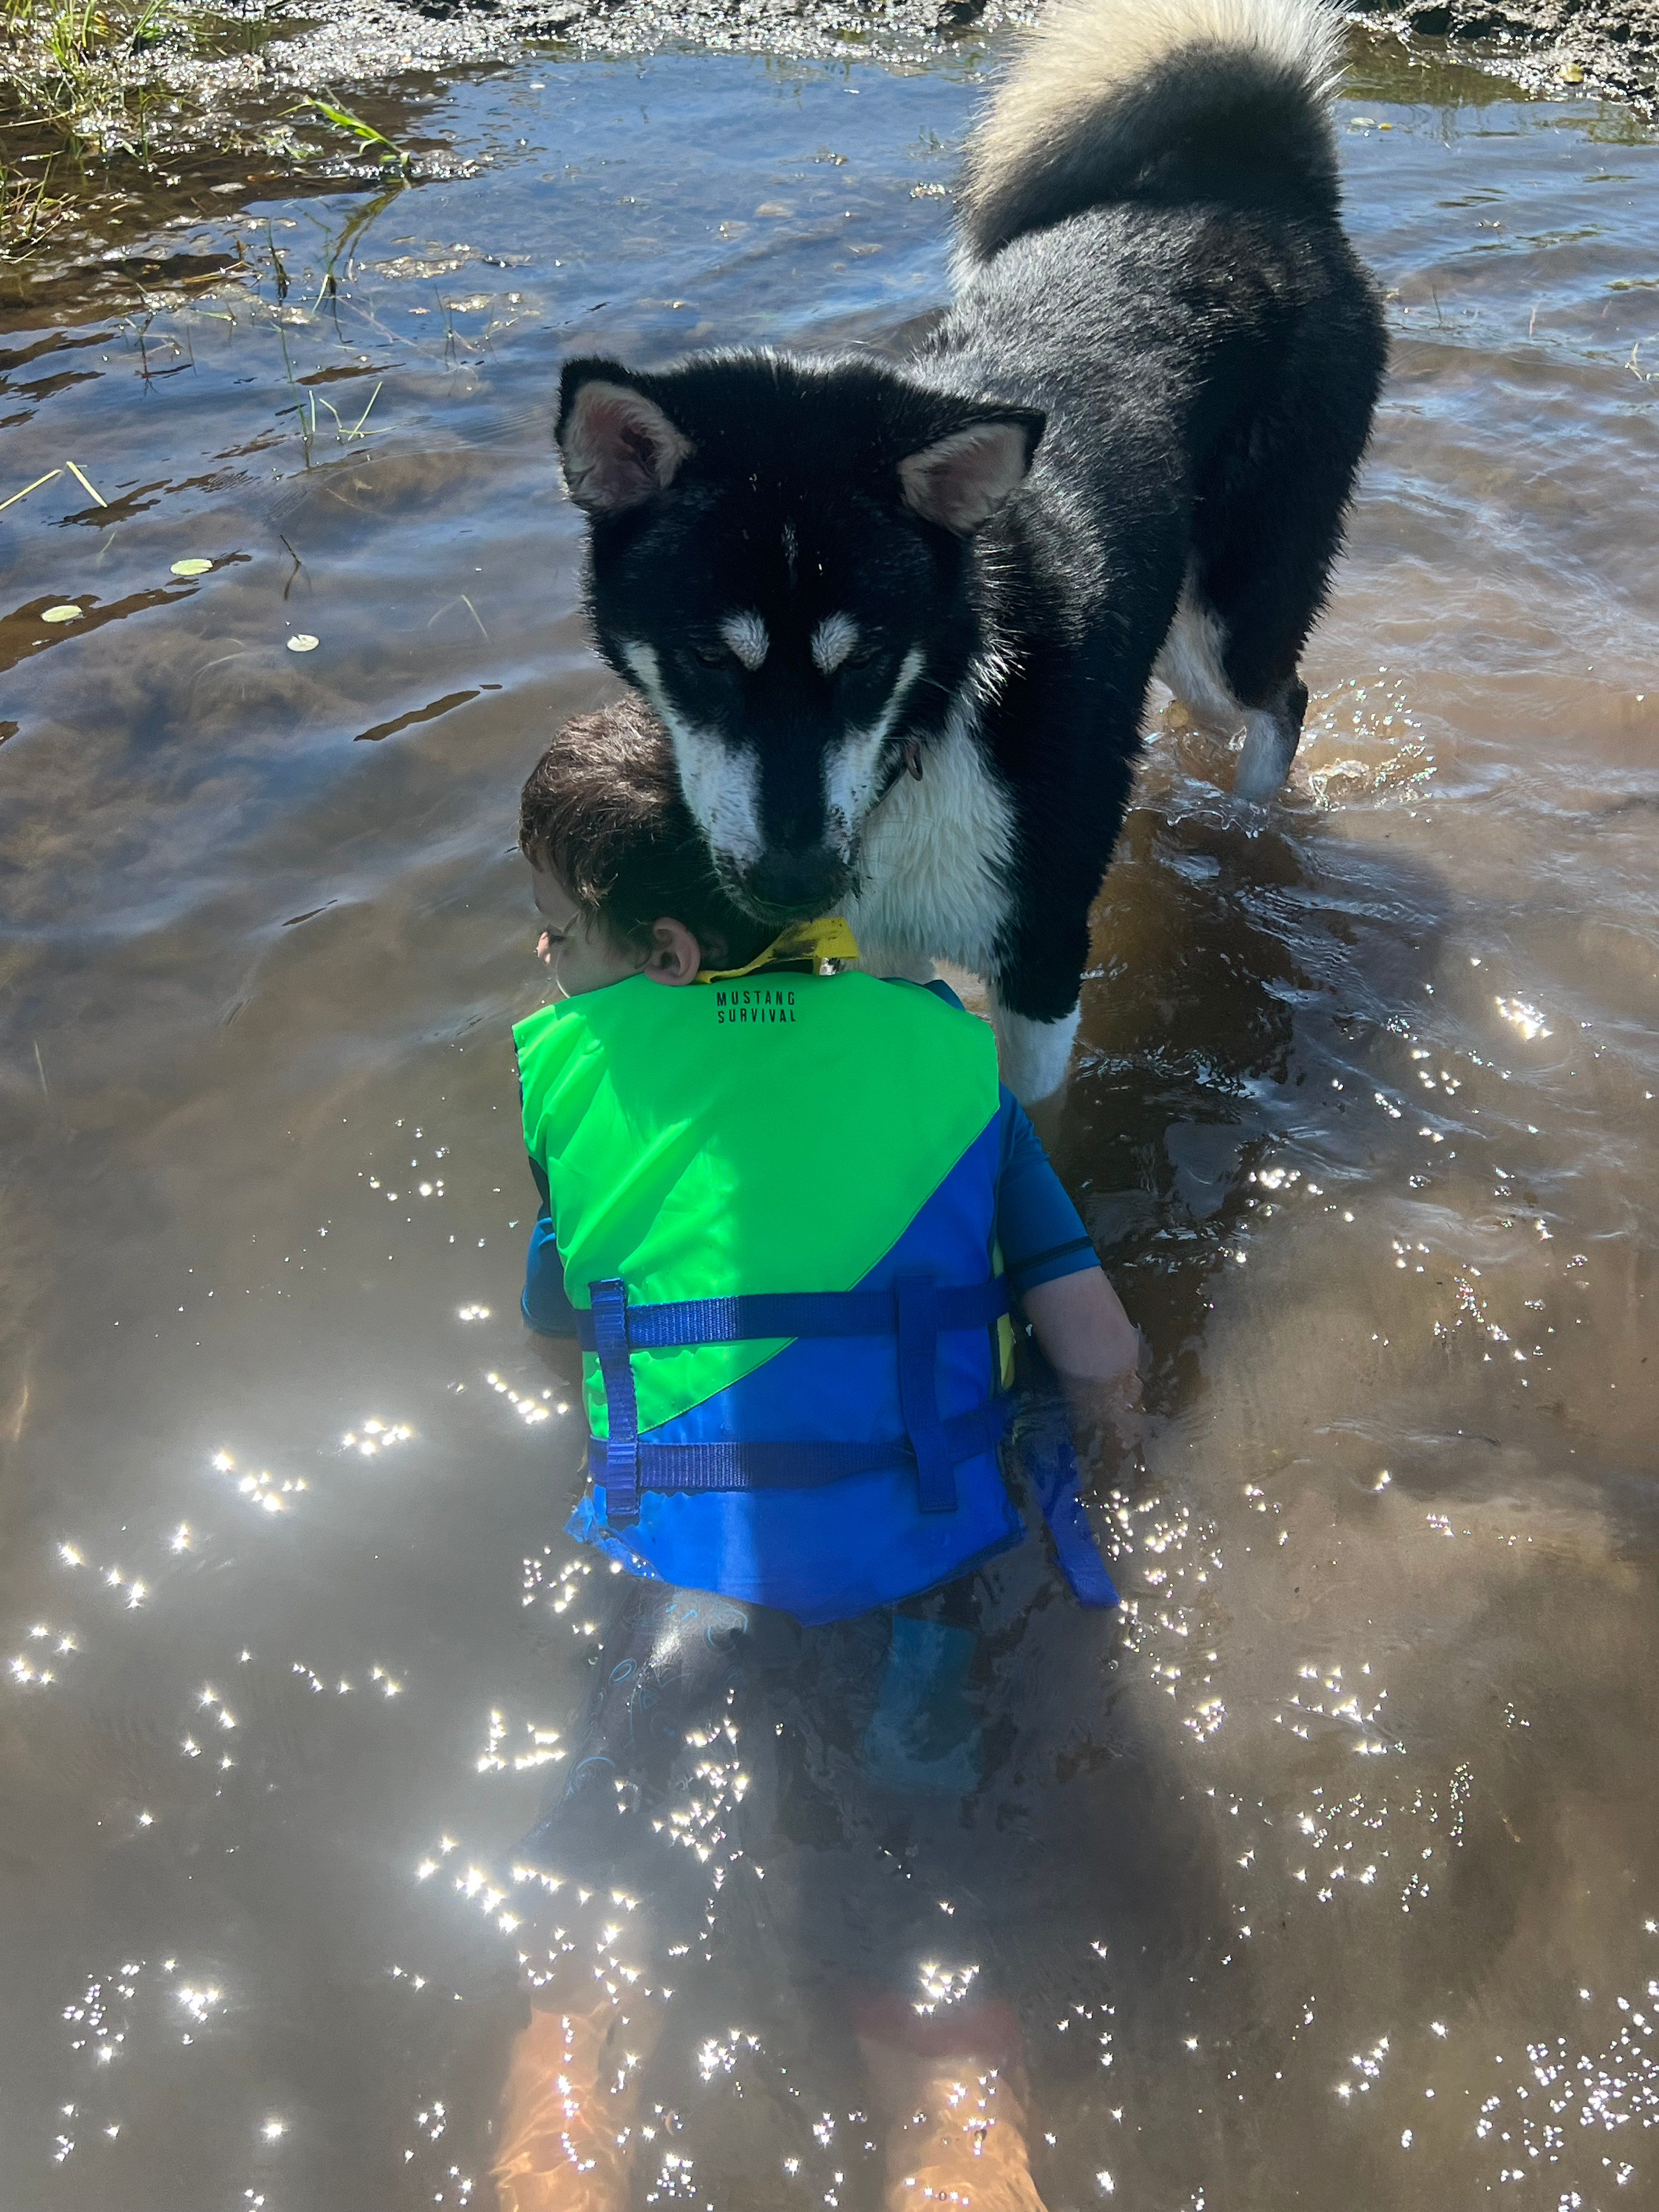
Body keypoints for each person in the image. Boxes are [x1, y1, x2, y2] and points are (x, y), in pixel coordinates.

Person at [493, 693, 1140, 2211]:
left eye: (554, 930)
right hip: (916, 1570)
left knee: (597, 1940)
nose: (545, 961)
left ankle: (561, 2159)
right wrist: (1119, 1465)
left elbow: (562, 1329)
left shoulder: (579, 1080)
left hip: (679, 1576)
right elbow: (1099, 1350)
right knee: (929, 1946)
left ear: (660, 956)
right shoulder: (945, 1058)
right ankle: (966, 2160)